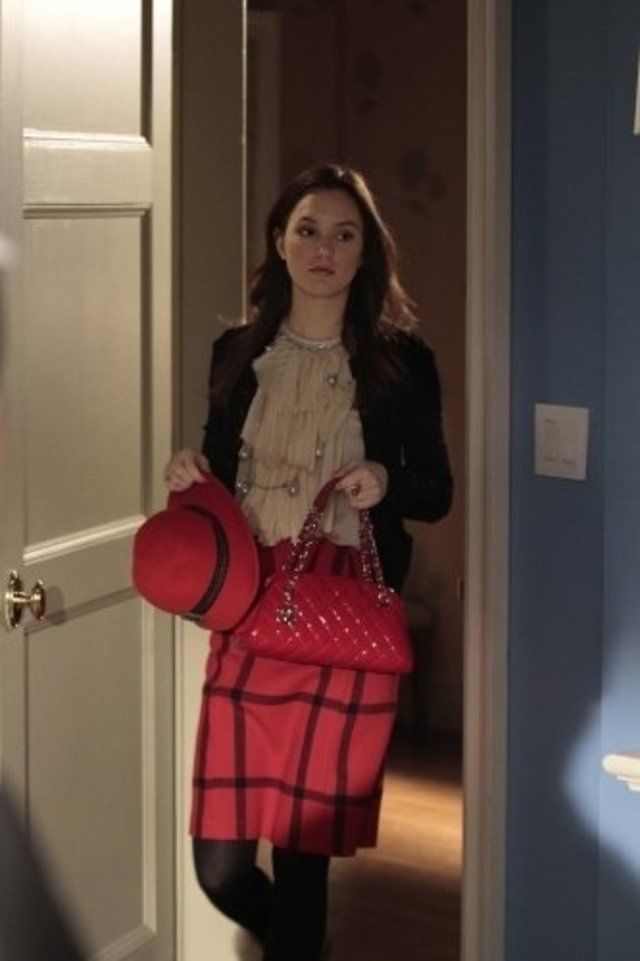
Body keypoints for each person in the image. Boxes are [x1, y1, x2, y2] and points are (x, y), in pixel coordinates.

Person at [163, 163, 452, 961]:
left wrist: (386, 479)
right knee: (220, 868)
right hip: (252, 607)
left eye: (344, 234)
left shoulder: (401, 361)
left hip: (342, 615)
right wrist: (190, 474)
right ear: (280, 243)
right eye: (309, 230)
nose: (325, 249)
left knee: (302, 859)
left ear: (366, 253)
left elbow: (436, 491)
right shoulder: (236, 352)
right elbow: (221, 481)